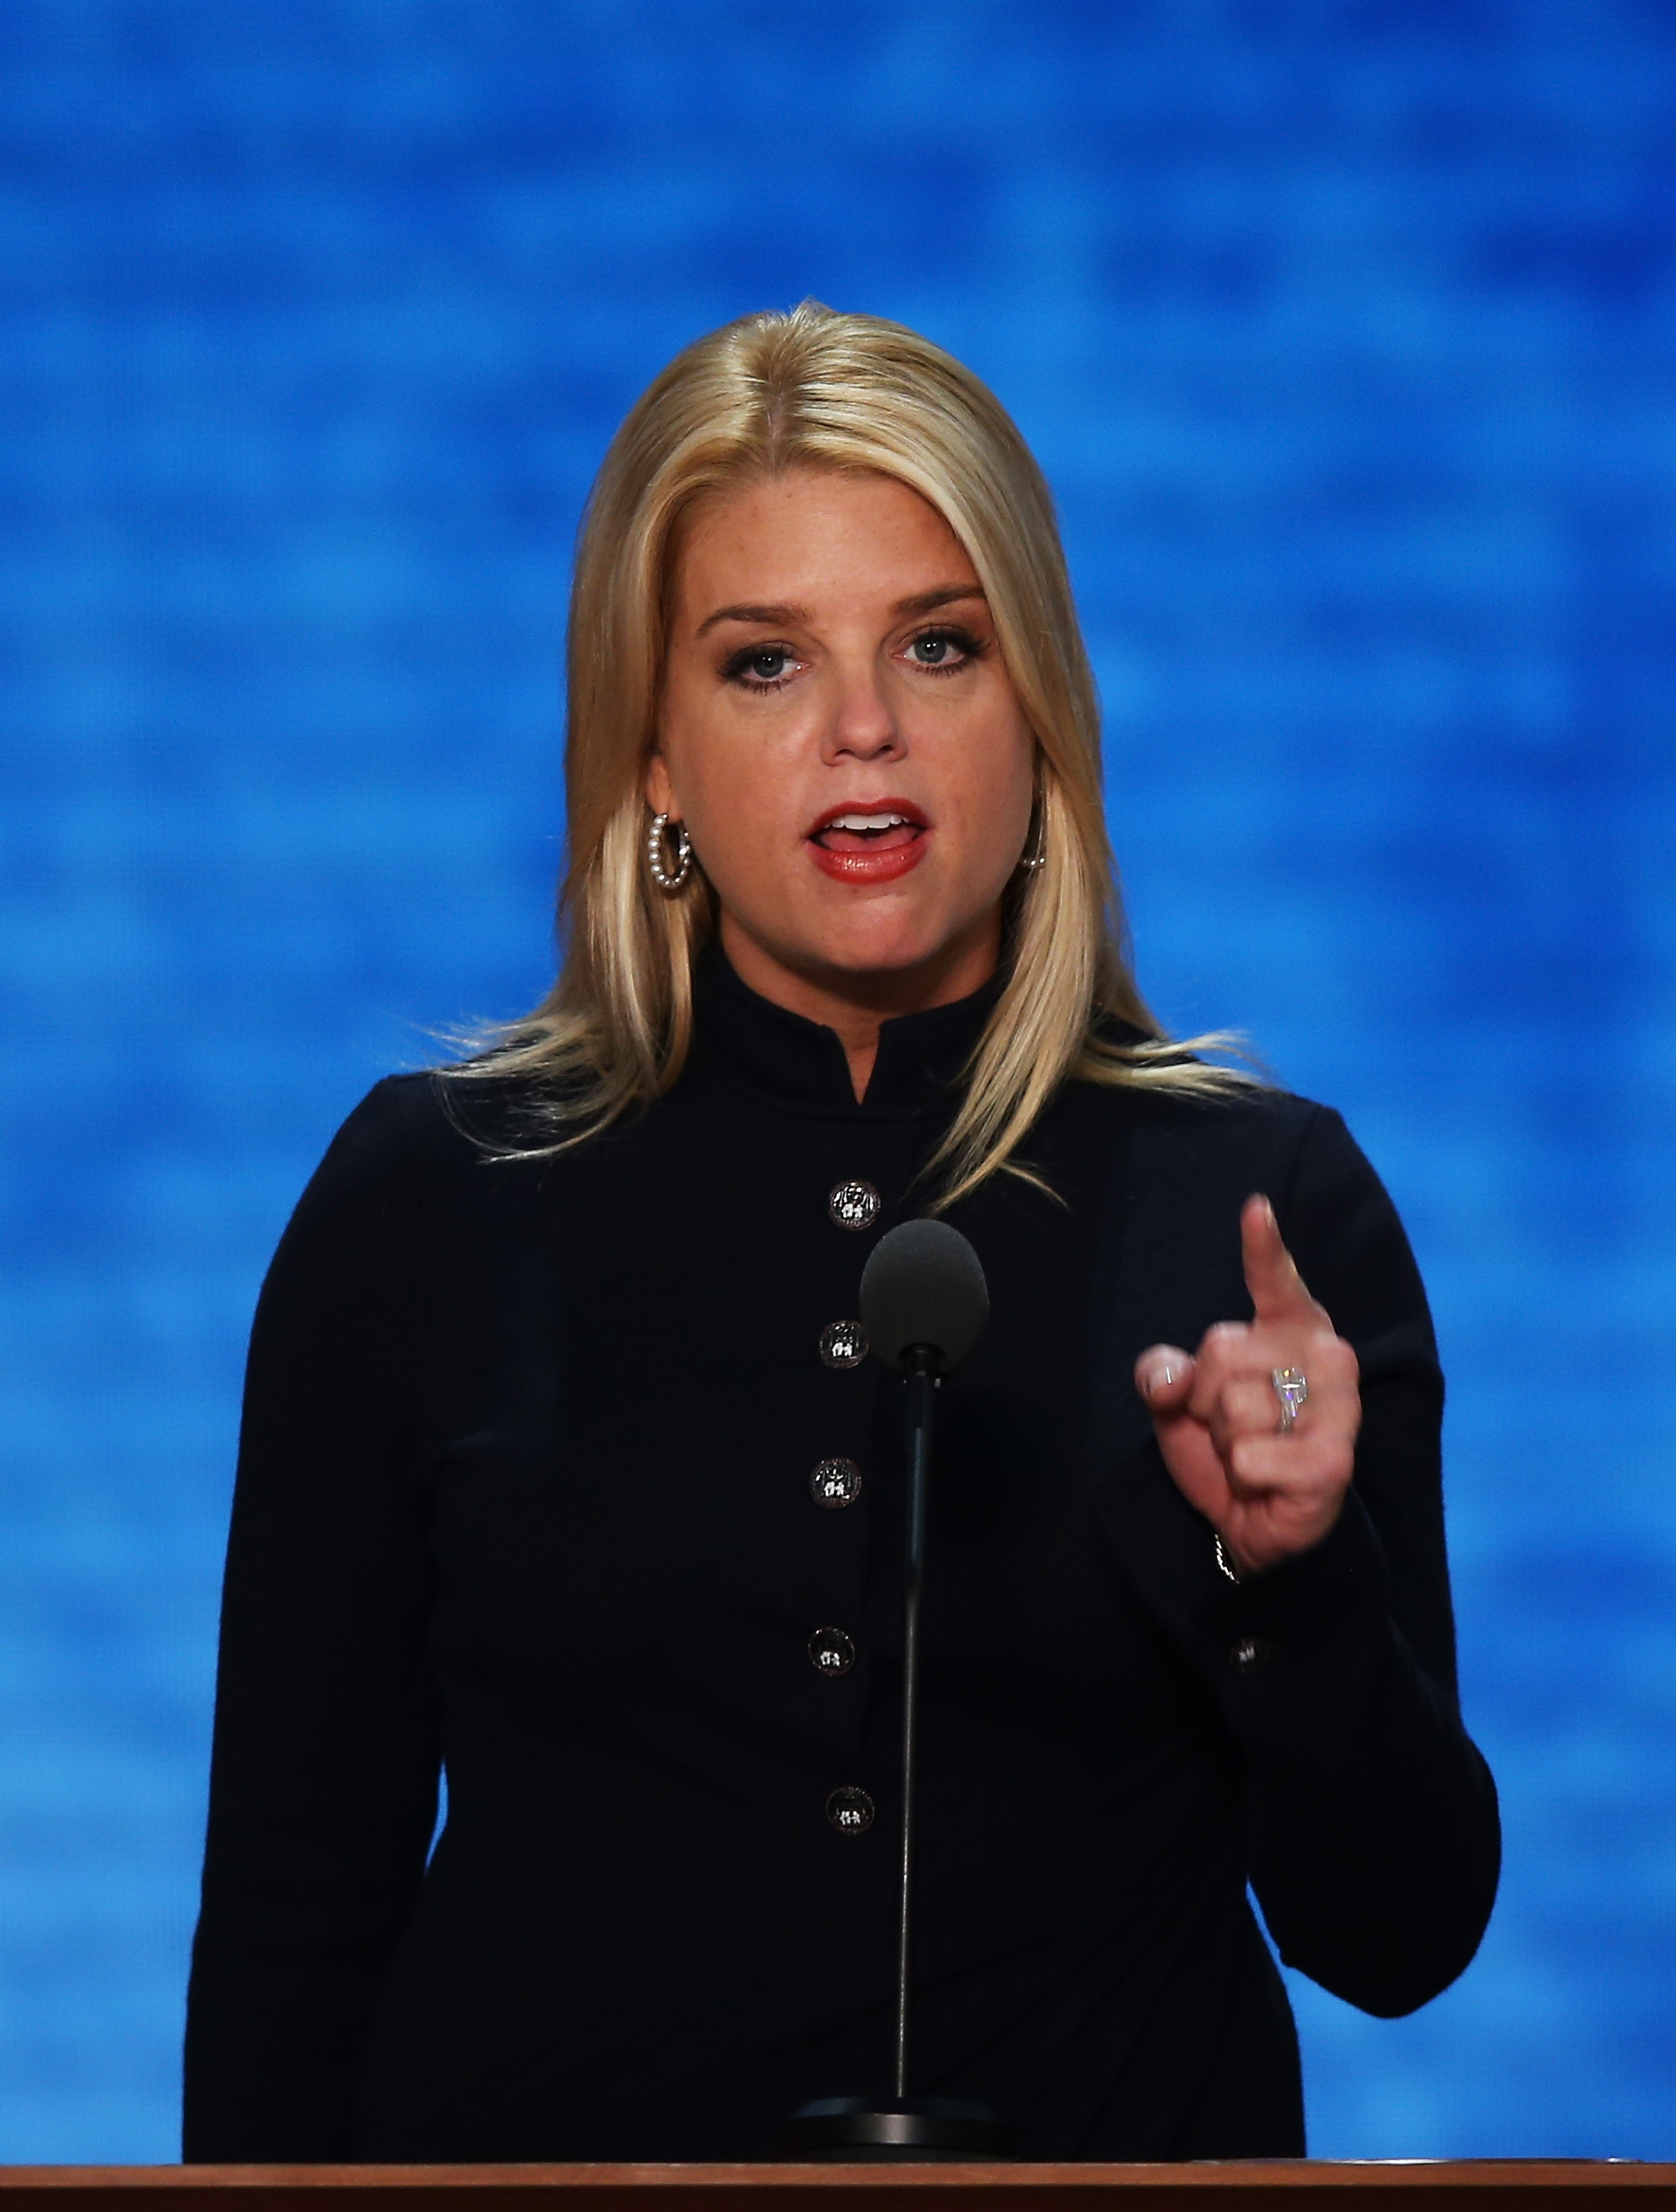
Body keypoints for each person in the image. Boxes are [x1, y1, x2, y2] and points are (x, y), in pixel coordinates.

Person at [183, 303, 1499, 2164]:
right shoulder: (432, 1197)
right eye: (763, 662)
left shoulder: (1259, 1209)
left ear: (1039, 712)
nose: (861, 728)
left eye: (937, 645)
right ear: (652, 754)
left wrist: (1286, 1578)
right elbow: (289, 1934)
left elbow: (1400, 1935)